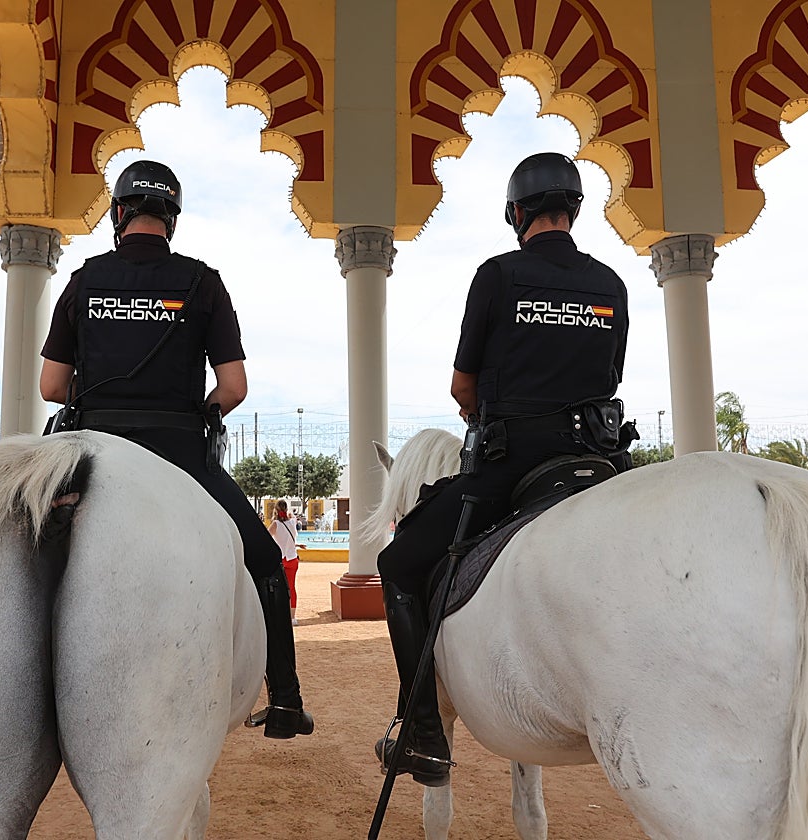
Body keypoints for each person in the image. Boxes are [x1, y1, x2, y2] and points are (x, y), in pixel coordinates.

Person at [374, 152, 631, 787]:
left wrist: (485, 409)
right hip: (601, 461)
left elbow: (462, 387)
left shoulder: (497, 275)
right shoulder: (610, 285)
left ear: (516, 213)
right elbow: (610, 376)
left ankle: (424, 733)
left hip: (514, 462)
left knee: (399, 563)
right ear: (574, 210)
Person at [39, 159, 313, 739]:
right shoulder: (202, 282)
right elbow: (233, 387)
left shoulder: (85, 280)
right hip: (180, 451)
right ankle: (286, 698)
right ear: (172, 219)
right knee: (265, 559)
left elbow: (51, 386)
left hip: (91, 450)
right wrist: (200, 409)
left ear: (119, 213)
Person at [267, 500, 300, 626]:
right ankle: (292, 617)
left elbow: (266, 538)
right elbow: (292, 518)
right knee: (291, 587)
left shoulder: (275, 524)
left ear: (275, 509)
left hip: (280, 560)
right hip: (292, 559)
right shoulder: (292, 522)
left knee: (277, 588)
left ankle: (279, 615)